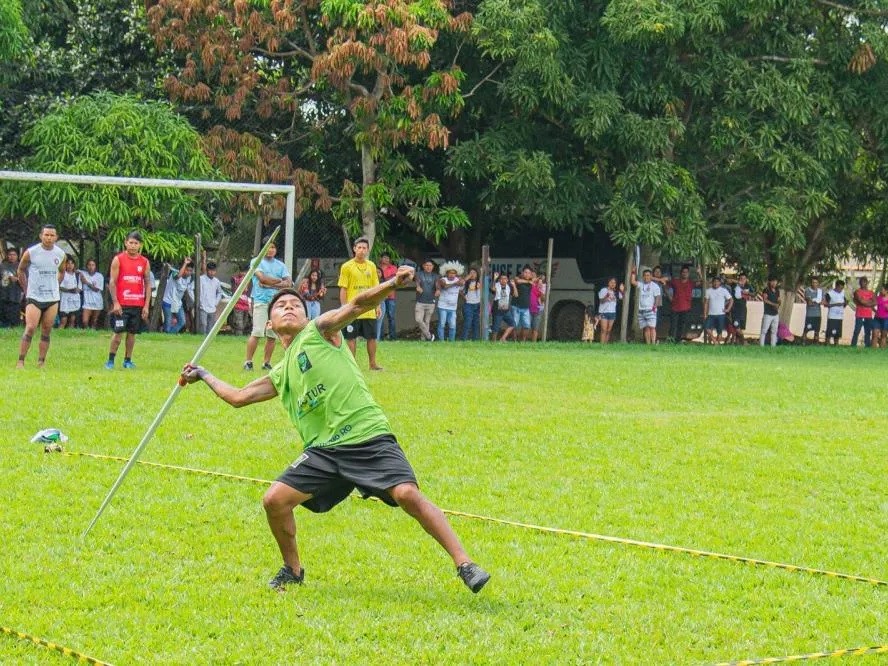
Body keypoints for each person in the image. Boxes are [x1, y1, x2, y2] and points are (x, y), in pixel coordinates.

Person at [179, 267, 490, 594]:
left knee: (406, 494)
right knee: (274, 501)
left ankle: (465, 564)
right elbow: (239, 397)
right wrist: (204, 374)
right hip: (323, 453)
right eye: (281, 306)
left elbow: (356, 305)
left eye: (295, 305)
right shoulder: (280, 373)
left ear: (306, 316)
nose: (289, 307)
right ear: (269, 325)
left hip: (366, 435)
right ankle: (293, 570)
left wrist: (391, 284)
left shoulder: (320, 331)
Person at [16, 225, 66, 368]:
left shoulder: (60, 254)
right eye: (46, 235)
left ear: (56, 237)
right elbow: (20, 270)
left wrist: (56, 284)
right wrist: (26, 289)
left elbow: (62, 271)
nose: (49, 238)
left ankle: (41, 362)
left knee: (46, 329)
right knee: (31, 327)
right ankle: (21, 361)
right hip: (35, 296)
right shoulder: (31, 252)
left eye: (52, 235)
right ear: (41, 236)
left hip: (52, 298)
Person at [105, 231, 151, 369]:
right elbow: (112, 282)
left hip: (137, 304)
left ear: (140, 245)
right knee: (118, 333)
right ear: (126, 243)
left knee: (132, 334)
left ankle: (128, 360)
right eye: (130, 242)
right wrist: (115, 303)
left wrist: (146, 305)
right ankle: (110, 361)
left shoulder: (144, 262)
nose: (133, 246)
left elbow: (148, 284)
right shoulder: (118, 259)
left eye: (136, 243)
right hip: (122, 304)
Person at [245, 239, 292, 370]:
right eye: (268, 247)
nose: (271, 250)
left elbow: (288, 283)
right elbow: (262, 278)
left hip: (276, 303)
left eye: (273, 247)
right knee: (257, 332)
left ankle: (266, 363)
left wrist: (269, 284)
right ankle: (248, 362)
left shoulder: (281, 265)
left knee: (272, 335)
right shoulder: (256, 261)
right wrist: (279, 281)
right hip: (261, 301)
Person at [338, 237, 382, 370]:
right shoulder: (347, 266)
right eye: (359, 247)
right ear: (354, 249)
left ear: (368, 250)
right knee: (351, 338)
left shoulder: (372, 266)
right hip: (353, 309)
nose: (362, 250)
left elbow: (376, 288)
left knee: (372, 337)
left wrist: (378, 305)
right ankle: (352, 366)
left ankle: (373, 364)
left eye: (364, 248)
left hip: (368, 309)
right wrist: (344, 307)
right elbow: (343, 288)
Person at [162, 257, 194, 334]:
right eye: (187, 270)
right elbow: (178, 276)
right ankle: (167, 335)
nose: (188, 272)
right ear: (183, 268)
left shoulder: (189, 278)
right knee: (168, 324)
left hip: (177, 303)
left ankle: (169, 335)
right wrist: (185, 263)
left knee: (182, 321)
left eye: (190, 271)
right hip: (168, 302)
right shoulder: (174, 273)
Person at [630, 268, 662, 344]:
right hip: (641, 309)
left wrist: (655, 306)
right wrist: (633, 272)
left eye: (648, 275)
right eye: (644, 275)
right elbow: (633, 282)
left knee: (652, 327)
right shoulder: (641, 284)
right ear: (643, 276)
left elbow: (657, 297)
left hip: (651, 309)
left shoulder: (655, 286)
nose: (646, 277)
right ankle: (648, 344)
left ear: (651, 276)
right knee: (646, 328)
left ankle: (653, 343)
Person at [667, 265, 698, 342]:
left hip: (686, 308)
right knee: (673, 325)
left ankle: (678, 341)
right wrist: (669, 296)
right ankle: (670, 340)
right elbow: (665, 284)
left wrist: (699, 273)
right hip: (675, 307)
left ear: (688, 273)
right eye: (683, 272)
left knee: (681, 326)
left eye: (686, 272)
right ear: (681, 273)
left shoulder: (691, 283)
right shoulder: (675, 281)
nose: (685, 273)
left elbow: (703, 282)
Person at [436, 261, 464, 342]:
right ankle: (441, 341)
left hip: (453, 308)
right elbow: (444, 286)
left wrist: (464, 296)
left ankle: (452, 341)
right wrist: (455, 283)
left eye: (454, 273)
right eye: (450, 273)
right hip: (442, 306)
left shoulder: (458, 280)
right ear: (446, 273)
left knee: (452, 325)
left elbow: (461, 287)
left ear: (456, 274)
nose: (452, 275)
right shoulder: (443, 280)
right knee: (442, 324)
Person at [703, 276, 733, 345]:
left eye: (717, 282)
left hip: (721, 314)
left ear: (720, 283)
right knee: (706, 327)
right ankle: (714, 341)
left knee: (719, 331)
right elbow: (706, 303)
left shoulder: (724, 290)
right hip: (711, 314)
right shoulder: (708, 291)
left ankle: (717, 344)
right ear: (712, 283)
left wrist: (728, 309)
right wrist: (705, 314)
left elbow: (731, 300)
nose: (716, 283)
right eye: (714, 282)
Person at [197, 260, 224, 334]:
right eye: (210, 270)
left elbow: (220, 292)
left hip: (212, 307)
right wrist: (197, 301)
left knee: (210, 326)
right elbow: (190, 288)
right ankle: (201, 338)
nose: (212, 272)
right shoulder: (201, 279)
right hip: (203, 306)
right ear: (207, 270)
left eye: (213, 271)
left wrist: (216, 302)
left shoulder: (216, 281)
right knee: (203, 324)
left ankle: (208, 340)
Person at [376, 253, 398, 340]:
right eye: (384, 258)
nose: (386, 260)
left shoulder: (393, 268)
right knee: (379, 316)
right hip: (379, 297)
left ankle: (393, 337)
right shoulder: (377, 268)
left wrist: (388, 279)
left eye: (388, 258)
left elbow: (395, 280)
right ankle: (380, 337)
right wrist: (389, 278)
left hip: (390, 296)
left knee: (391, 316)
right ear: (381, 258)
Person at [414, 259, 437, 342]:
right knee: (418, 319)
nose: (428, 267)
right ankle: (429, 336)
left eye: (430, 265)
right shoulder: (419, 274)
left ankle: (423, 339)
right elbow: (417, 280)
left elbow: (437, 284)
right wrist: (418, 286)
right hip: (420, 301)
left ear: (433, 267)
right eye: (426, 265)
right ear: (423, 266)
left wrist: (438, 290)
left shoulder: (435, 276)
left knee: (427, 321)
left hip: (431, 301)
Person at [0, 247, 23, 328]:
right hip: (3, 294)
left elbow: (25, 280)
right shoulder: (2, 266)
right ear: (7, 255)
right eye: (10, 254)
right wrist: (7, 277)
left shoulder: (21, 266)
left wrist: (17, 279)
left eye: (14, 255)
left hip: (15, 295)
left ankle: (14, 329)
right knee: (3, 316)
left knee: (14, 316)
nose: (12, 256)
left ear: (17, 256)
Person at [79, 259, 105, 329]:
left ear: (95, 266)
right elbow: (74, 269)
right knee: (85, 322)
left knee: (94, 321)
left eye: (93, 265)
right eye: (89, 265)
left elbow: (97, 289)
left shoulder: (99, 276)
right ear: (86, 266)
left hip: (97, 302)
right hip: (87, 303)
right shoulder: (83, 273)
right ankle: (86, 333)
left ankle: (92, 333)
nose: (91, 267)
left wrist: (86, 282)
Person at [597, 277, 623, 344]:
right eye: (611, 282)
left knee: (609, 330)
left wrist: (621, 290)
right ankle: (602, 345)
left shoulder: (616, 292)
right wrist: (606, 296)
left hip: (612, 312)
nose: (613, 284)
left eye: (614, 283)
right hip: (604, 312)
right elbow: (601, 301)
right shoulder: (604, 290)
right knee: (603, 330)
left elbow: (622, 298)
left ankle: (605, 344)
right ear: (608, 283)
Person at [850, 276, 875, 348]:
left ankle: (867, 346)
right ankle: (853, 345)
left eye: (864, 282)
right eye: (861, 282)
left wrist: (865, 302)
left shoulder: (871, 292)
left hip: (868, 315)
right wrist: (869, 302)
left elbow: (875, 302)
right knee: (857, 330)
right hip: (859, 315)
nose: (862, 284)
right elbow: (860, 301)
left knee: (868, 331)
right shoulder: (857, 292)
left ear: (867, 283)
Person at [728, 273, 752, 345]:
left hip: (743, 310)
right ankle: (744, 342)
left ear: (746, 280)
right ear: (738, 279)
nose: (742, 280)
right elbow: (728, 281)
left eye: (744, 279)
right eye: (741, 278)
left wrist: (747, 293)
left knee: (740, 328)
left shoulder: (748, 286)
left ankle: (738, 343)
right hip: (735, 309)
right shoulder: (734, 285)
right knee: (736, 326)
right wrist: (735, 281)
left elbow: (754, 294)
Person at [491, 272, 516, 342]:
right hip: (497, 310)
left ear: (507, 280)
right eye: (501, 279)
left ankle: (503, 338)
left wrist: (514, 285)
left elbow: (515, 295)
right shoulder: (496, 284)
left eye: (505, 278)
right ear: (499, 280)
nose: (503, 280)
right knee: (495, 328)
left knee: (513, 324)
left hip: (506, 310)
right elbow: (493, 289)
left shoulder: (509, 286)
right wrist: (494, 279)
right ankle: (493, 342)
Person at [58, 255, 81, 329]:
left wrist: (77, 290)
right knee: (63, 321)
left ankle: (70, 334)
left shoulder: (77, 275)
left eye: (72, 263)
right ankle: (59, 333)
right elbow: (59, 286)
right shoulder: (62, 274)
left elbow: (80, 288)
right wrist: (70, 290)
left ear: (74, 265)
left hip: (75, 300)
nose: (70, 265)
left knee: (72, 320)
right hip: (64, 300)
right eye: (68, 263)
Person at [229, 265, 252, 335]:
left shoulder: (248, 278)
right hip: (238, 302)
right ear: (239, 271)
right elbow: (233, 291)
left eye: (245, 272)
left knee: (245, 321)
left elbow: (248, 291)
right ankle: (239, 335)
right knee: (239, 323)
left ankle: (241, 336)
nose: (244, 273)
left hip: (245, 303)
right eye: (242, 272)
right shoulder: (234, 279)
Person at [824, 279, 847, 346]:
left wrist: (845, 303)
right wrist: (836, 304)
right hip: (832, 316)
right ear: (836, 286)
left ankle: (836, 345)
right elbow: (825, 305)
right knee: (829, 332)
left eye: (842, 288)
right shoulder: (830, 293)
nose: (841, 290)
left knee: (837, 333)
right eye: (840, 288)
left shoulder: (843, 293)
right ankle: (827, 344)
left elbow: (844, 304)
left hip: (840, 317)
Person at [461, 268, 482, 340]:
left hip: (477, 304)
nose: (472, 274)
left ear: (477, 274)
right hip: (468, 305)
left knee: (476, 323)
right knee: (468, 322)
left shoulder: (479, 282)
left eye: (474, 273)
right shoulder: (466, 282)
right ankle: (463, 339)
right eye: (471, 273)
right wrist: (464, 296)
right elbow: (459, 288)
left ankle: (475, 340)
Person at [802, 277, 823, 345]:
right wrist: (816, 302)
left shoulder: (820, 291)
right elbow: (809, 303)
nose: (814, 284)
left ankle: (815, 344)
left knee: (817, 331)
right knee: (806, 330)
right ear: (811, 283)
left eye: (816, 282)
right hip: (810, 314)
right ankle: (803, 343)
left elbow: (823, 301)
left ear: (818, 283)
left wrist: (814, 301)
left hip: (818, 314)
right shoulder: (807, 290)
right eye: (813, 282)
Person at [759, 277, 780, 347]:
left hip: (775, 314)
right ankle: (761, 346)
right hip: (768, 313)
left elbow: (779, 299)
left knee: (774, 331)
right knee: (764, 330)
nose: (774, 283)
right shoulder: (766, 290)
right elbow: (765, 300)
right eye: (772, 281)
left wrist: (779, 303)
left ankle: (773, 346)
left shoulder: (777, 290)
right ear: (769, 282)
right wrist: (774, 304)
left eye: (775, 281)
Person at [530, 273, 547, 342]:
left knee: (535, 327)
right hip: (530, 308)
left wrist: (540, 291)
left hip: (539, 309)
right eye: (539, 282)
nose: (540, 284)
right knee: (529, 326)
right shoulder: (532, 286)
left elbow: (543, 299)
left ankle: (534, 343)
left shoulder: (543, 288)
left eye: (541, 282)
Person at [873, 284, 888, 349]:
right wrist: (875, 311)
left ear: (886, 290)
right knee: (874, 334)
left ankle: (882, 350)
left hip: (886, 319)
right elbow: (872, 304)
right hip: (877, 318)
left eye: (882, 289)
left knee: (883, 335)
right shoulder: (879, 297)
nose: (881, 291)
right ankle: (872, 351)